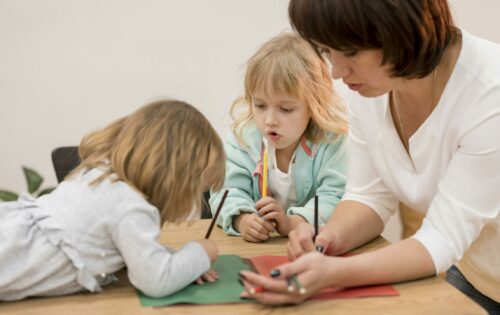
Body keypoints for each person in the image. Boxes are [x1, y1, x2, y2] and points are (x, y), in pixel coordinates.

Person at [238, 1, 500, 313]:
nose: (336, 71)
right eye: (326, 51)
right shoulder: (369, 90)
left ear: (401, 30)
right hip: (476, 275)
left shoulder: (489, 95)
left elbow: (441, 239)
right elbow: (368, 196)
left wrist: (334, 274)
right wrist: (327, 238)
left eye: (349, 52)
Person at [0, 100, 225, 301]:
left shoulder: (101, 174)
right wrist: (201, 252)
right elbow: (156, 281)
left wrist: (182, 262)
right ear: (175, 177)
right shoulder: (131, 207)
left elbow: (130, 246)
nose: (196, 199)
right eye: (196, 188)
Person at [209, 33, 348, 242]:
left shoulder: (332, 142)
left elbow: (336, 198)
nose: (270, 120)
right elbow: (226, 191)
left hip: (312, 249)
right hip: (256, 250)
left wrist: (294, 224)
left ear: (314, 106)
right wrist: (242, 220)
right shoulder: (242, 138)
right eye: (260, 105)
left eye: (286, 108)